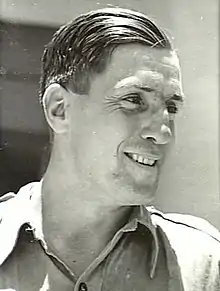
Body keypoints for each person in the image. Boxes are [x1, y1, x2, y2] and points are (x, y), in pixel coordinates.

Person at [0, 7, 219, 291]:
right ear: (60, 110)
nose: (162, 133)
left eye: (171, 107)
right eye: (133, 100)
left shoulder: (206, 265)